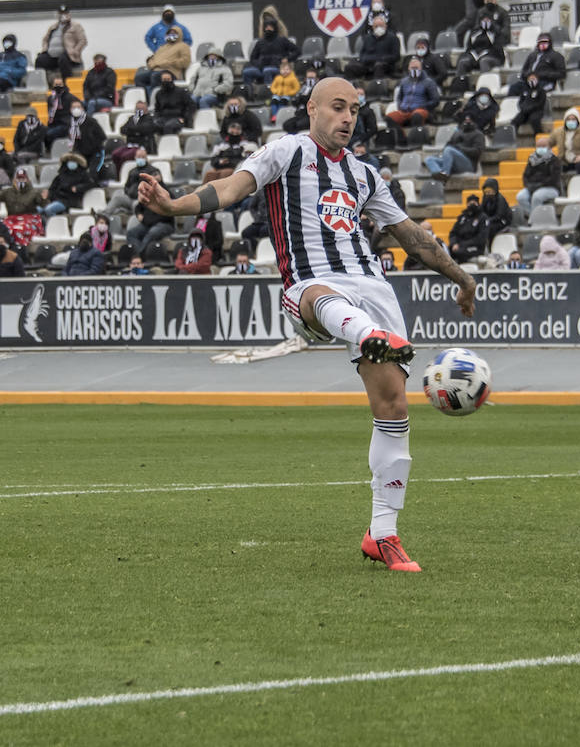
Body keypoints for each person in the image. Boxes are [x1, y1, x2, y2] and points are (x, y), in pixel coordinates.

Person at [136, 76, 478, 572]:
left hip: (372, 287)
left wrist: (463, 280)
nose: (347, 118)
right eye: (337, 108)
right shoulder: (286, 152)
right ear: (312, 109)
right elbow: (230, 188)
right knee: (321, 297)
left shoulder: (364, 174)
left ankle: (382, 533)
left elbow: (411, 236)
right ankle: (365, 334)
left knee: (394, 404)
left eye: (355, 111)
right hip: (311, 286)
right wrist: (174, 207)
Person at [34, 6, 86, 81]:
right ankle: (41, 82)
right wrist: (45, 50)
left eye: (65, 13)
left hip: (68, 56)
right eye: (61, 14)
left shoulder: (76, 26)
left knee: (63, 59)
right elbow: (45, 40)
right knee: (40, 60)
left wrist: (75, 51)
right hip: (52, 56)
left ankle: (66, 84)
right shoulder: (53, 27)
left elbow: (82, 41)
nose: (63, 16)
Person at [515, 136, 562, 216]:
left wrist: (539, 185)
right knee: (520, 197)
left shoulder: (554, 160)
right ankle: (532, 217)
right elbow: (526, 176)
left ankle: (535, 219)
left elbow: (554, 178)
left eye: (543, 146)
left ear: (549, 147)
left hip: (550, 187)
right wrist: (529, 185)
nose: (541, 148)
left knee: (536, 197)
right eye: (539, 146)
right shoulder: (532, 159)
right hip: (533, 187)